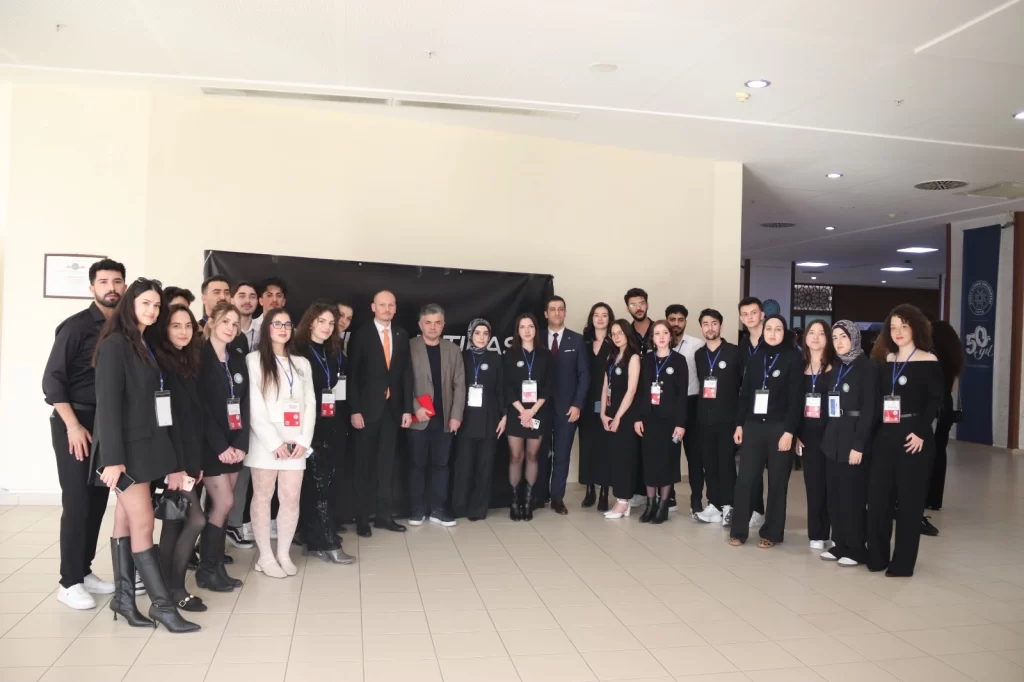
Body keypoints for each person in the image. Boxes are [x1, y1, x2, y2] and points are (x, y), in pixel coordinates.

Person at [92, 277, 199, 632]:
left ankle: (124, 600)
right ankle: (163, 607)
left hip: (147, 448)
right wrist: (112, 459)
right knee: (143, 524)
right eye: (146, 304)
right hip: (125, 453)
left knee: (125, 521)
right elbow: (107, 406)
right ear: (130, 305)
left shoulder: (144, 342)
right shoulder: (114, 345)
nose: (152, 311)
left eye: (156, 305)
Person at [42, 258, 126, 610]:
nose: (111, 287)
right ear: (92, 288)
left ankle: (84, 569)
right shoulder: (75, 327)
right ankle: (68, 582)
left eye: (117, 281)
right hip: (75, 422)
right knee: (77, 501)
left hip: (107, 425)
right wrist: (73, 425)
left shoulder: (125, 327)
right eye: (104, 281)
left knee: (97, 500)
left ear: (124, 287)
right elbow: (52, 381)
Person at [866, 305, 943, 577]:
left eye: (904, 326)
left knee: (909, 503)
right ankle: (877, 557)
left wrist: (921, 431)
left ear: (915, 328)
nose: (898, 332)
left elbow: (935, 401)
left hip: (914, 437)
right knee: (878, 500)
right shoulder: (885, 360)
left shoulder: (929, 360)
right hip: (885, 435)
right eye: (893, 327)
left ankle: (903, 563)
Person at [246, 307, 316, 578]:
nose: (283, 329)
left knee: (290, 497)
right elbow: (254, 404)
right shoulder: (254, 360)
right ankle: (265, 556)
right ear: (267, 328)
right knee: (263, 497)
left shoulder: (301, 363)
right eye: (277, 324)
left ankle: (283, 553)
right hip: (265, 443)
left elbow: (310, 404)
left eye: (287, 324)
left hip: (296, 442)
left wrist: (303, 440)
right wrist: (274, 442)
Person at [152, 304, 207, 611]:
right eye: (176, 326)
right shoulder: (161, 366)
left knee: (173, 523)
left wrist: (195, 464)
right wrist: (174, 467)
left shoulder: (189, 361)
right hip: (172, 461)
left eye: (188, 325)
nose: (184, 331)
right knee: (196, 519)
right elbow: (164, 422)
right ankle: (176, 589)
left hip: (189, 458)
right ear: (165, 329)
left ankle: (164, 589)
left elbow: (193, 421)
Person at [729, 314, 802, 548]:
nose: (772, 333)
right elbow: (745, 394)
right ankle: (738, 531)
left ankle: (772, 533)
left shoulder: (793, 358)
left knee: (777, 482)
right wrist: (739, 424)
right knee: (745, 480)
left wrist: (789, 432)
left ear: (785, 332)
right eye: (768, 328)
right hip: (753, 426)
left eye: (777, 329)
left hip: (780, 428)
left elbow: (796, 400)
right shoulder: (755, 358)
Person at [293, 301, 355, 564]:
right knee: (317, 485)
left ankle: (313, 538)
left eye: (331, 323)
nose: (328, 327)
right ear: (310, 322)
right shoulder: (297, 351)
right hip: (306, 428)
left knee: (322, 484)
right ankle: (328, 542)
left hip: (329, 425)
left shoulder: (331, 350)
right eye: (322, 322)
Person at [348, 290, 413, 536]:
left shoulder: (401, 334)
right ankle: (362, 518)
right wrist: (355, 410)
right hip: (366, 411)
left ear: (395, 308)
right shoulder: (361, 334)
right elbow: (353, 375)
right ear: (373, 307)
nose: (387, 309)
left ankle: (384, 516)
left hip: (392, 411)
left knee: (387, 465)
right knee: (364, 466)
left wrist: (407, 408)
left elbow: (406, 374)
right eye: (382, 305)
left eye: (391, 305)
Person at [196, 301, 248, 591]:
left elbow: (245, 403)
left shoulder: (237, 359)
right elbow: (200, 408)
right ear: (212, 321)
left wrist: (240, 443)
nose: (230, 328)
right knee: (224, 502)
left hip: (234, 443)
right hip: (211, 445)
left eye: (235, 324)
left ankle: (216, 567)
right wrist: (220, 446)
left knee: (222, 507)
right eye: (225, 321)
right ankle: (206, 569)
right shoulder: (198, 357)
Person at [819, 320, 878, 567]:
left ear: (854, 338)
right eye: (834, 338)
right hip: (834, 436)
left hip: (853, 438)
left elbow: (870, 409)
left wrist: (859, 444)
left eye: (843, 336)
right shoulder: (837, 367)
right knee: (834, 495)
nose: (839, 342)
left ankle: (856, 548)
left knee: (852, 497)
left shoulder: (867, 367)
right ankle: (840, 544)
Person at [407, 303, 467, 527]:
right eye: (428, 323)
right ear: (420, 324)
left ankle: (439, 509)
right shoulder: (409, 347)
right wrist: (414, 406)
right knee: (416, 465)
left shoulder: (453, 350)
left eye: (437, 323)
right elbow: (402, 382)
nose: (433, 327)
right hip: (418, 419)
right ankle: (416, 509)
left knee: (442, 466)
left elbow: (460, 385)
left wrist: (456, 415)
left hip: (445, 419)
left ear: (443, 325)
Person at [536, 295, 589, 515]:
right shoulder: (536, 337)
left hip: (567, 409)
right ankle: (539, 495)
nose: (557, 313)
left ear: (565, 312)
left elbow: (584, 375)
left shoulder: (576, 340)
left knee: (562, 453)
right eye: (552, 309)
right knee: (538, 452)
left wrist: (577, 405)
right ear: (546, 313)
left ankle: (557, 497)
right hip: (539, 408)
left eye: (560, 309)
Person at [452, 319, 506, 520]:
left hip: (489, 420)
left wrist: (504, 416)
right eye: (477, 333)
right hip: (465, 419)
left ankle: (478, 509)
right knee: (463, 467)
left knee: (485, 467)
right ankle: (459, 508)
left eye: (485, 333)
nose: (482, 337)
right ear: (470, 335)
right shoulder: (461, 356)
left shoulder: (496, 358)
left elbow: (501, 389)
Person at [694, 309, 744, 525]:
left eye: (714, 323)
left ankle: (729, 506)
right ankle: (713, 504)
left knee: (726, 464)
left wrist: (740, 422)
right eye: (705, 324)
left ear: (721, 326)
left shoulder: (734, 352)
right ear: (701, 327)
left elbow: (743, 387)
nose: (710, 328)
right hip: (705, 419)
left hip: (728, 418)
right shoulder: (699, 354)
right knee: (709, 463)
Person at [634, 320, 688, 524]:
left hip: (670, 421)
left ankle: (663, 506)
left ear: (670, 336)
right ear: (652, 338)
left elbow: (682, 395)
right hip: (649, 419)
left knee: (667, 463)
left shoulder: (679, 360)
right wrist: (638, 417)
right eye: (657, 333)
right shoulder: (646, 360)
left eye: (665, 332)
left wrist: (681, 423)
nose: (662, 337)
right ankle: (650, 505)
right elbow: (641, 391)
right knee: (649, 462)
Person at [504, 313, 553, 521]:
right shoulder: (510, 354)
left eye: (530, 326)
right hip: (516, 412)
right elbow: (506, 386)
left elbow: (549, 385)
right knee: (516, 456)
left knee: (533, 456)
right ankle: (515, 501)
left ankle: (528, 501)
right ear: (517, 330)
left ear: (536, 329)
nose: (527, 330)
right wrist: (521, 410)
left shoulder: (545, 355)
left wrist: (532, 411)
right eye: (522, 327)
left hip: (537, 412)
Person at [795, 320, 834, 550]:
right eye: (812, 332)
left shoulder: (836, 368)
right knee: (814, 485)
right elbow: (793, 404)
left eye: (821, 333)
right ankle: (817, 533)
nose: (816, 337)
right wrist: (797, 433)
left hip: (832, 432)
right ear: (806, 338)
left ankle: (837, 531)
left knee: (834, 485)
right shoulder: (798, 367)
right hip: (808, 435)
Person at [924, 320, 964, 534]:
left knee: (928, 451)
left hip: (934, 406)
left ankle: (925, 495)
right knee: (940, 450)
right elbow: (954, 385)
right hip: (946, 405)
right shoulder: (953, 355)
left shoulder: (931, 356)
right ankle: (935, 499)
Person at [601, 319, 642, 519]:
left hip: (625, 414)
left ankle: (624, 501)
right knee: (615, 458)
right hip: (611, 413)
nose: (616, 337)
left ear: (627, 334)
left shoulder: (633, 358)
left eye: (620, 332)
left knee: (625, 458)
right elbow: (605, 386)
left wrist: (617, 417)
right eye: (613, 333)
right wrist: (603, 413)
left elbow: (632, 390)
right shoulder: (612, 356)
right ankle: (621, 498)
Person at [667, 304, 704, 517]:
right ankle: (669, 496)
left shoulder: (697, 345)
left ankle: (696, 499)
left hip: (692, 403)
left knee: (694, 455)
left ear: (686, 322)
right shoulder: (660, 343)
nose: (676, 324)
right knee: (669, 453)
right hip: (668, 406)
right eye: (672, 319)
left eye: (680, 320)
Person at [580, 303, 615, 511]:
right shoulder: (583, 342)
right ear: (591, 318)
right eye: (596, 315)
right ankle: (589, 489)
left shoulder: (614, 342)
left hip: (607, 402)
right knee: (587, 446)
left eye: (604, 315)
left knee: (605, 447)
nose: (600, 319)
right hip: (585, 402)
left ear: (610, 318)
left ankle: (604, 492)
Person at [736, 296, 767, 526]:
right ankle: (756, 508)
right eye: (745, 314)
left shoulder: (774, 338)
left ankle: (771, 517)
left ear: (762, 314)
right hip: (751, 410)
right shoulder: (743, 345)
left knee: (773, 468)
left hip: (774, 411)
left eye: (753, 312)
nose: (750, 317)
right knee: (751, 465)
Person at [247, 277, 289, 347]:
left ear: (284, 302)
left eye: (279, 296)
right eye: (269, 295)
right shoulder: (250, 328)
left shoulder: (291, 331)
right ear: (261, 301)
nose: (274, 300)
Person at [232, 281, 260, 351]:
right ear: (231, 300)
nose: (247, 301)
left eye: (252, 297)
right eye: (242, 296)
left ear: (257, 301)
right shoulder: (225, 330)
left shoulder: (263, 331)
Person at [625, 288, 652, 352]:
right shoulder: (626, 334)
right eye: (633, 305)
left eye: (642, 303)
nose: (638, 308)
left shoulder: (659, 330)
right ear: (628, 309)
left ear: (647, 305)